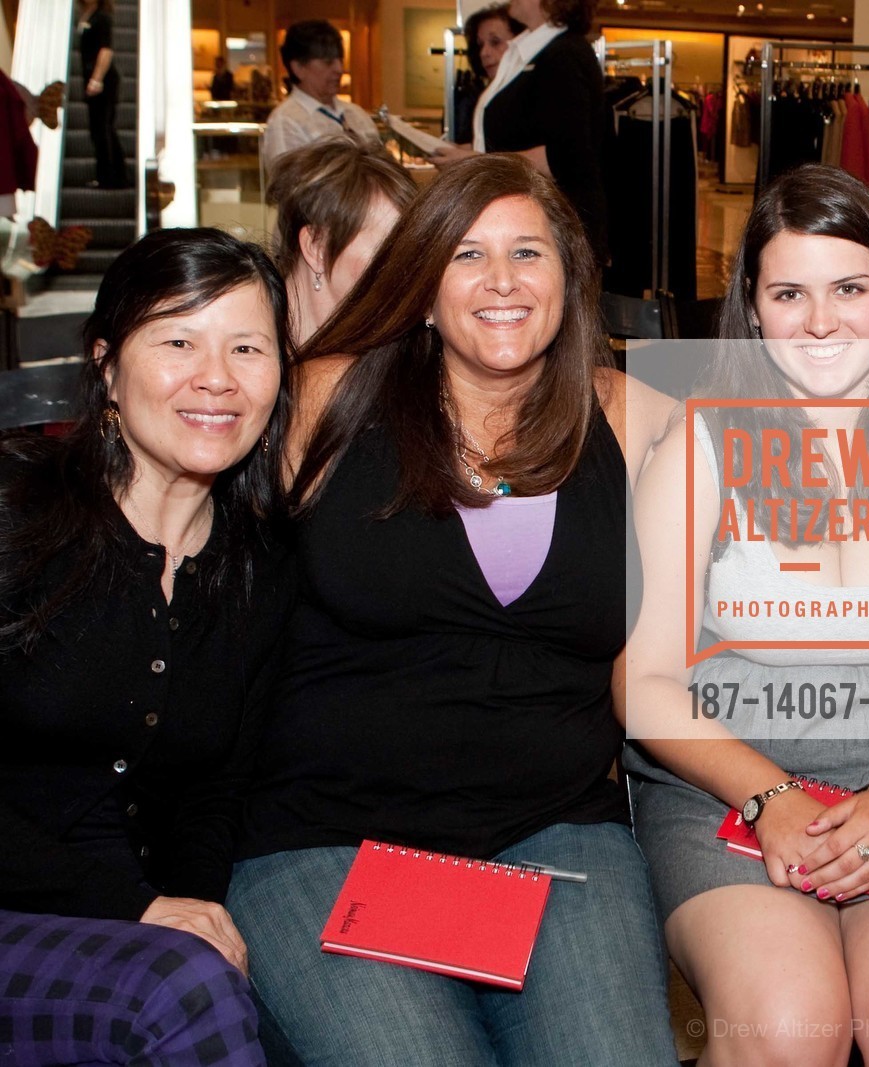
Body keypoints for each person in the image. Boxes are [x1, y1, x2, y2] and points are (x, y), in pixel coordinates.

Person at [227, 154, 678, 1067]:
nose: (503, 281)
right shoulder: (325, 400)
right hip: (331, 840)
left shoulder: (637, 421)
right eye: (467, 255)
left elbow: (805, 465)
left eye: (528, 252)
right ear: (422, 285)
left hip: (553, 840)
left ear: (570, 277)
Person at [625, 164, 869, 1065]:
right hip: (731, 780)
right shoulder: (705, 438)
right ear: (752, 306)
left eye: (850, 288)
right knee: (786, 1022)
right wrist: (767, 797)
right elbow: (642, 676)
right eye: (788, 293)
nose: (820, 322)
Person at [0, 228, 294, 1066]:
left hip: (139, 942)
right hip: (59, 921)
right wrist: (141, 913)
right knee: (186, 994)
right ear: (105, 363)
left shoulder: (258, 569)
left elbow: (218, 790)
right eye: (177, 341)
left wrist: (188, 907)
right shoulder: (17, 516)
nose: (217, 378)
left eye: (248, 348)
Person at [430, 0, 609, 267]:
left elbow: (565, 156)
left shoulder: (564, 54)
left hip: (555, 225)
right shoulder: (533, 51)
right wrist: (467, 155)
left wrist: (474, 162)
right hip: (525, 217)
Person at [266, 140, 416, 348]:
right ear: (317, 247)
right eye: (386, 250)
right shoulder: (244, 348)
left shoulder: (390, 342)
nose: (408, 271)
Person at [260, 20, 381, 172]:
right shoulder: (286, 121)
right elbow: (291, 188)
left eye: (340, 60)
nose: (339, 69)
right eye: (328, 62)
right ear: (298, 68)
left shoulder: (357, 114)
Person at [452, 4, 524, 146]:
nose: (484, 53)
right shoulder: (485, 94)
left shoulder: (531, 93)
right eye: (480, 45)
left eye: (495, 42)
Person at [76, 0, 130, 188]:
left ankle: (111, 177)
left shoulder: (102, 17)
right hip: (92, 78)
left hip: (103, 80)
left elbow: (106, 51)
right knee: (100, 128)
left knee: (102, 128)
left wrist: (96, 79)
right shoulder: (86, 14)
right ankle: (111, 176)